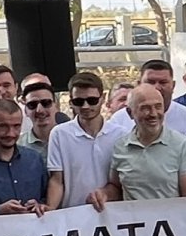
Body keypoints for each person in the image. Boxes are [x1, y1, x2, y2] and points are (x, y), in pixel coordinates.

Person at [93, 84, 186, 207]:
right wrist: (104, 194)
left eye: (158, 107)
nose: (153, 113)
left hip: (170, 223)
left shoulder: (182, 145)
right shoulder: (120, 147)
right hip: (134, 223)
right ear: (130, 112)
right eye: (145, 108)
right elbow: (116, 187)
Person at [44, 72, 127, 210]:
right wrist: (50, 210)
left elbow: (122, 182)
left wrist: (104, 194)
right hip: (72, 216)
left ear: (103, 98)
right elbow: (57, 180)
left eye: (92, 100)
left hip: (112, 215)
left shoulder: (121, 134)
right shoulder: (59, 134)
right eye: (79, 101)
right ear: (71, 102)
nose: (85, 106)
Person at [17, 78, 67, 152]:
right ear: (26, 111)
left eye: (46, 103)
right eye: (32, 105)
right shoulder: (18, 146)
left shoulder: (72, 139)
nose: (39, 110)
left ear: (56, 105)